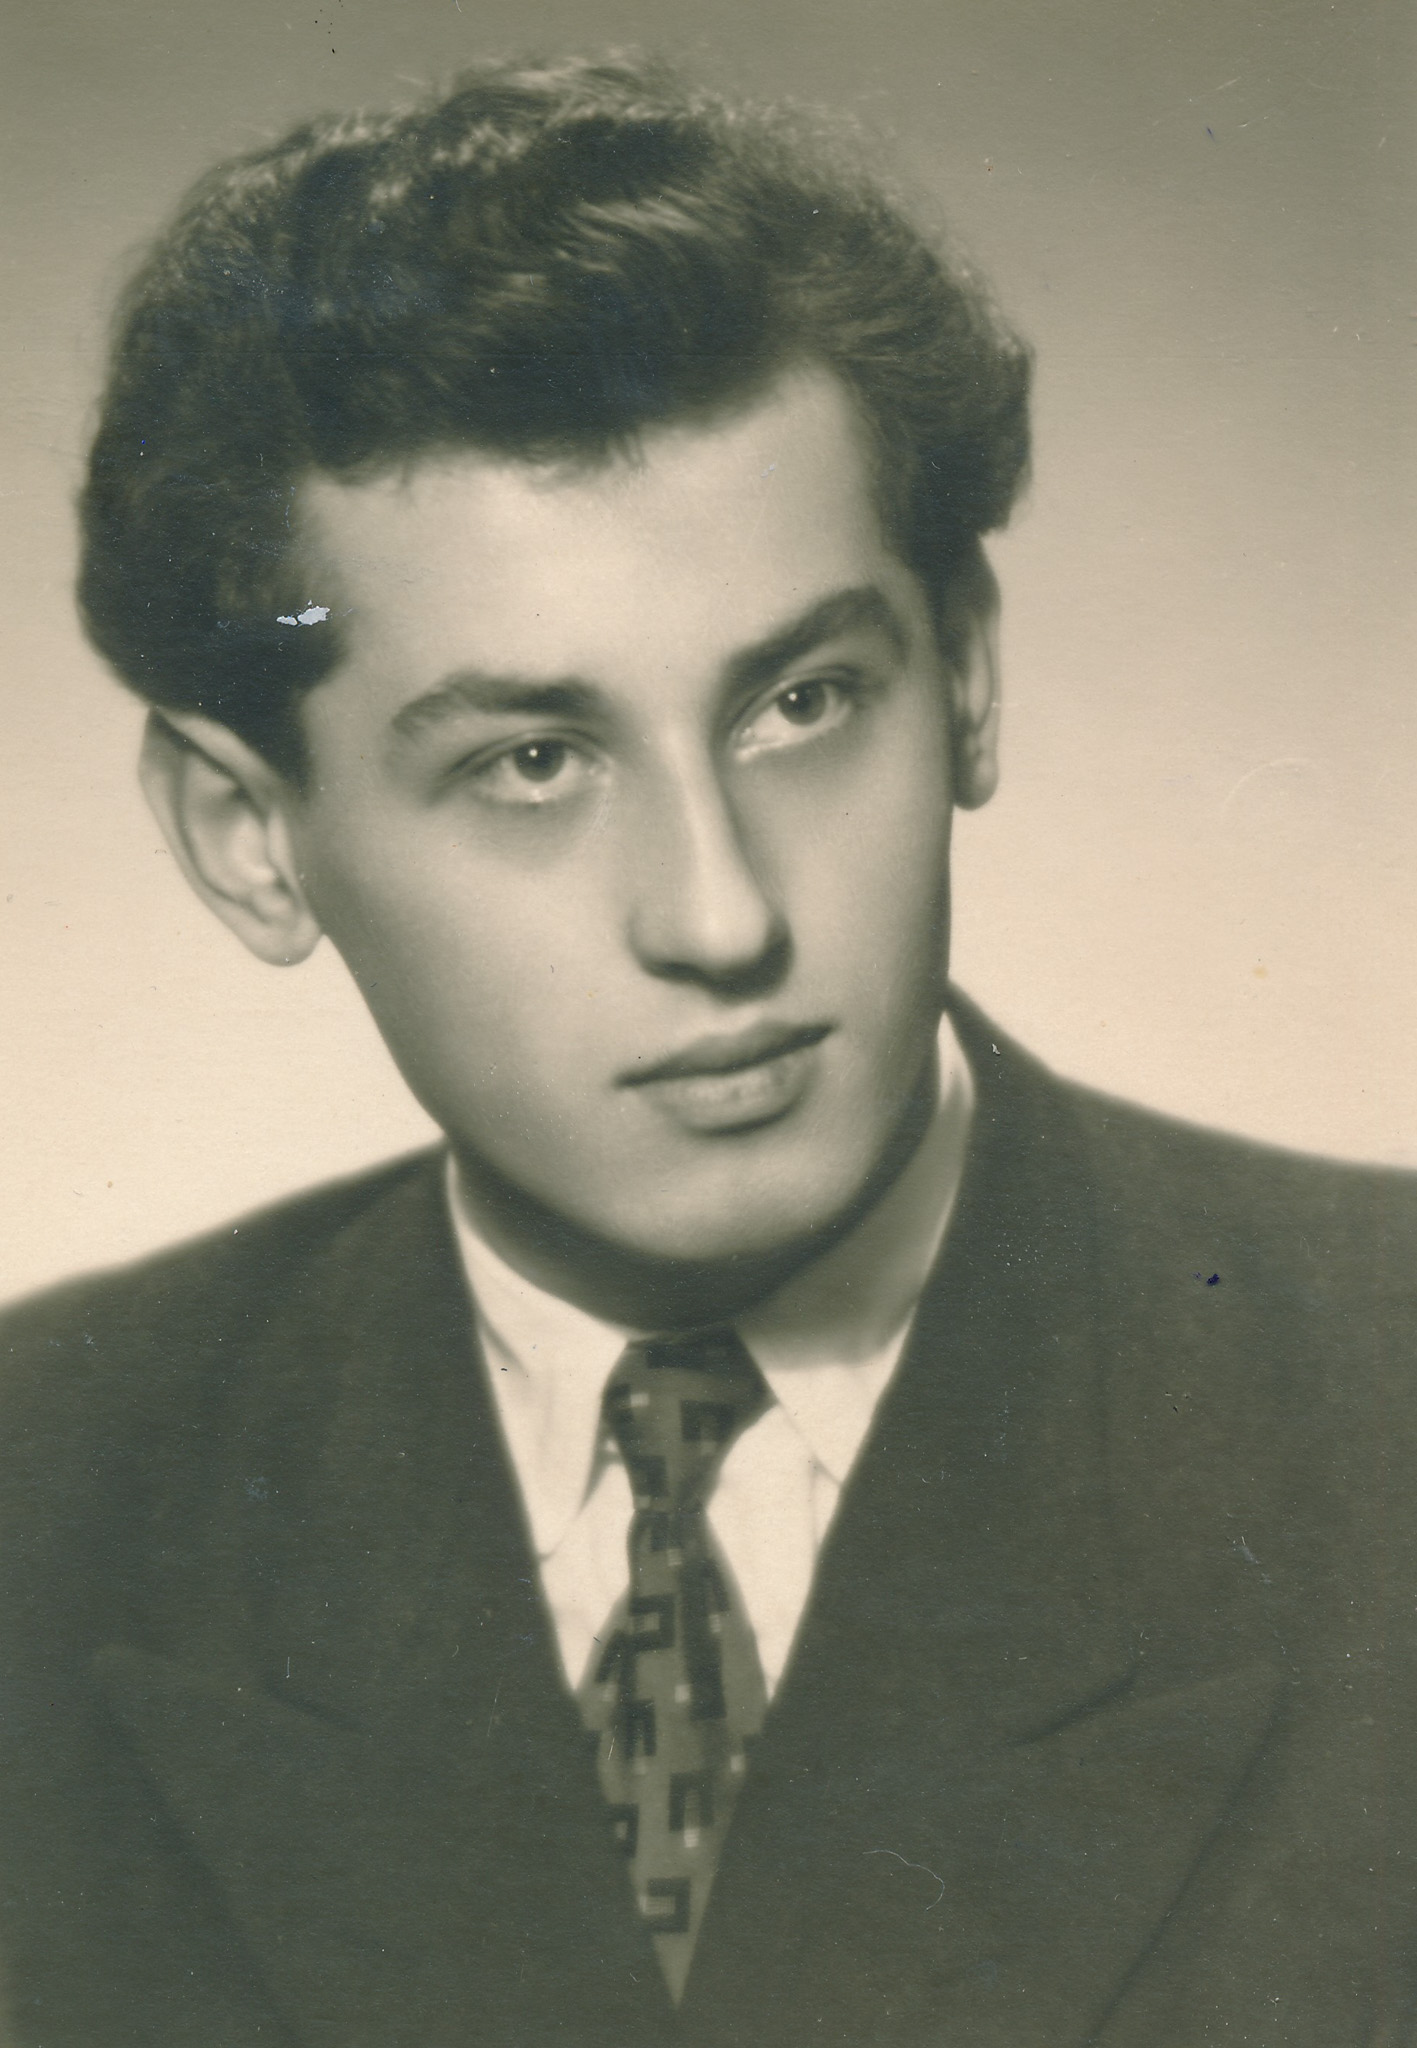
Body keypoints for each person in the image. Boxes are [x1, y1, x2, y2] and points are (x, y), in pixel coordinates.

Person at [1, 52, 1413, 2048]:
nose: (720, 913)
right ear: (248, 836)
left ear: (966, 674)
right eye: (533, 761)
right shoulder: (39, 1492)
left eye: (801, 702)